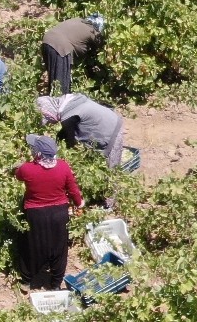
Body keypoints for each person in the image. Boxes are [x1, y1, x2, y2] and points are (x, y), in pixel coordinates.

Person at [12, 134, 84, 289]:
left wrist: (19, 166)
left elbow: (18, 175)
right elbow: (73, 190)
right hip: (59, 213)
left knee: (32, 246)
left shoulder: (27, 169)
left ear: (37, 153)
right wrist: (79, 204)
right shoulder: (63, 166)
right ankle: (56, 283)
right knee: (59, 248)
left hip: (35, 214)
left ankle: (26, 281)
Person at [37, 92, 125, 168]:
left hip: (111, 130)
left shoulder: (68, 118)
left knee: (111, 170)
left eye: (48, 119)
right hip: (112, 119)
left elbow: (71, 144)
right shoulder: (69, 103)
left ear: (50, 112)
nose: (50, 122)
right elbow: (64, 133)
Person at [41, 14, 105, 94]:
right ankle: (60, 104)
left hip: (47, 42)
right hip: (61, 47)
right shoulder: (92, 31)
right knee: (61, 84)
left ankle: (52, 102)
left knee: (53, 78)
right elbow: (101, 45)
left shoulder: (78, 20)